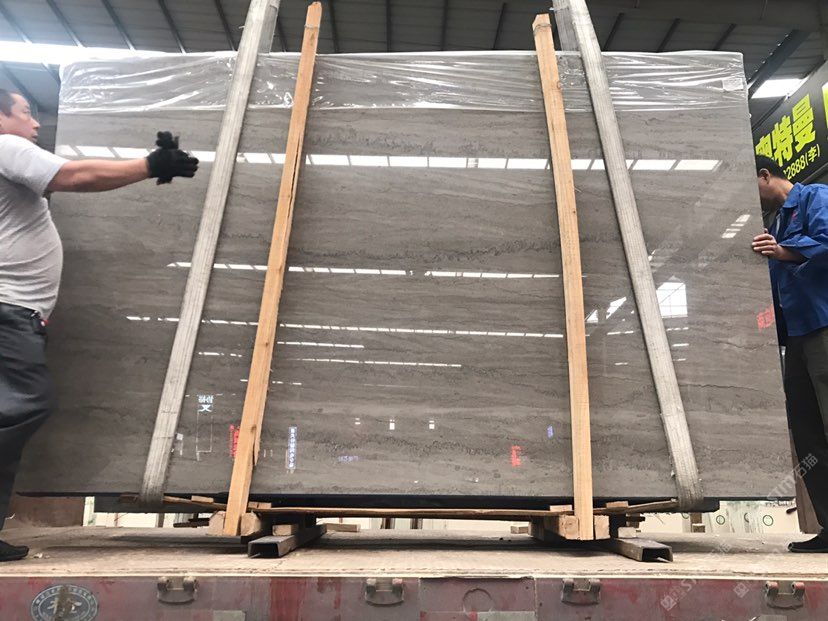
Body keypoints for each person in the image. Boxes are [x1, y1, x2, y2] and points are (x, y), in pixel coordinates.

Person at [0, 88, 198, 561]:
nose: (36, 124)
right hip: (8, 312)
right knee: (21, 406)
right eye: (26, 112)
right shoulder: (6, 147)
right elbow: (74, 175)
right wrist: (149, 165)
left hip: (16, 314)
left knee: (15, 411)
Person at [753, 154, 828, 552]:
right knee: (807, 432)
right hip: (795, 339)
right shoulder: (774, 226)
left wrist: (785, 251)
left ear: (765, 175)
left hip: (823, 326)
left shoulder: (815, 198)